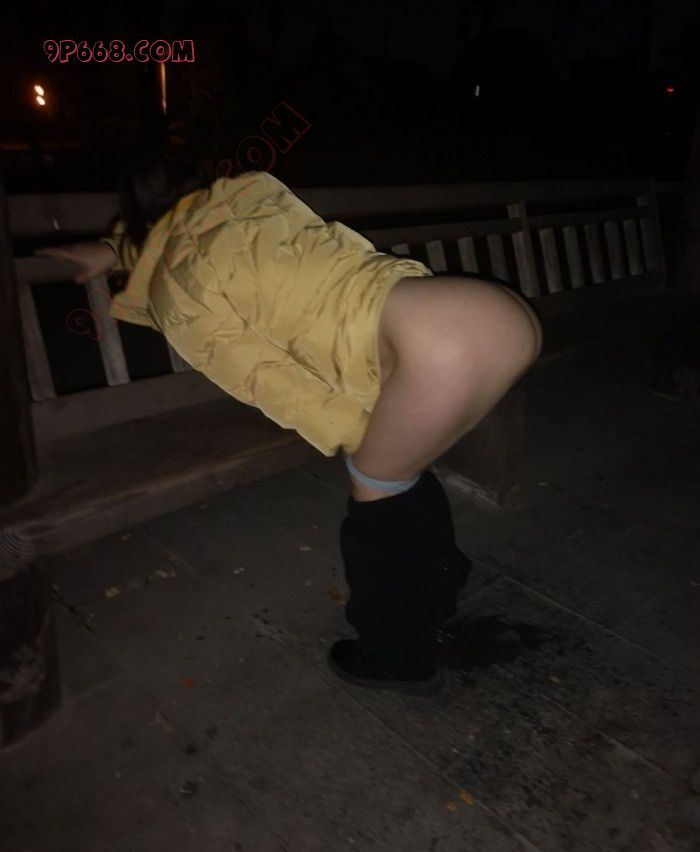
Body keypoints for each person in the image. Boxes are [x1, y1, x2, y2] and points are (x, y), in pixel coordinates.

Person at [38, 146, 543, 695]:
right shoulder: (251, 197)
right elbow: (183, 232)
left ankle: (395, 656)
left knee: (375, 488)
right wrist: (116, 249)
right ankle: (438, 578)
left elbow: (265, 376)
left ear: (135, 212)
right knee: (400, 473)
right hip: (487, 312)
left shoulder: (177, 287)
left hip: (441, 348)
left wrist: (352, 429)